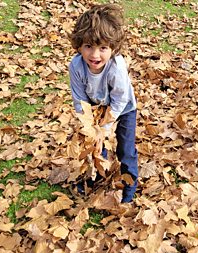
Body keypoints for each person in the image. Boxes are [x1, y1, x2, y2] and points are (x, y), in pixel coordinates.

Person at [68, 4, 138, 203]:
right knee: (96, 146)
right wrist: (90, 128)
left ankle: (129, 185)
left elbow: (120, 99)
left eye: (103, 48)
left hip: (123, 108)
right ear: (79, 45)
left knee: (126, 148)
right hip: (96, 108)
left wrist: (106, 128)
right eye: (88, 46)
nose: (95, 55)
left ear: (113, 48)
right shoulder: (76, 65)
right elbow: (80, 98)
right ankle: (98, 175)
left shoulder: (116, 67)